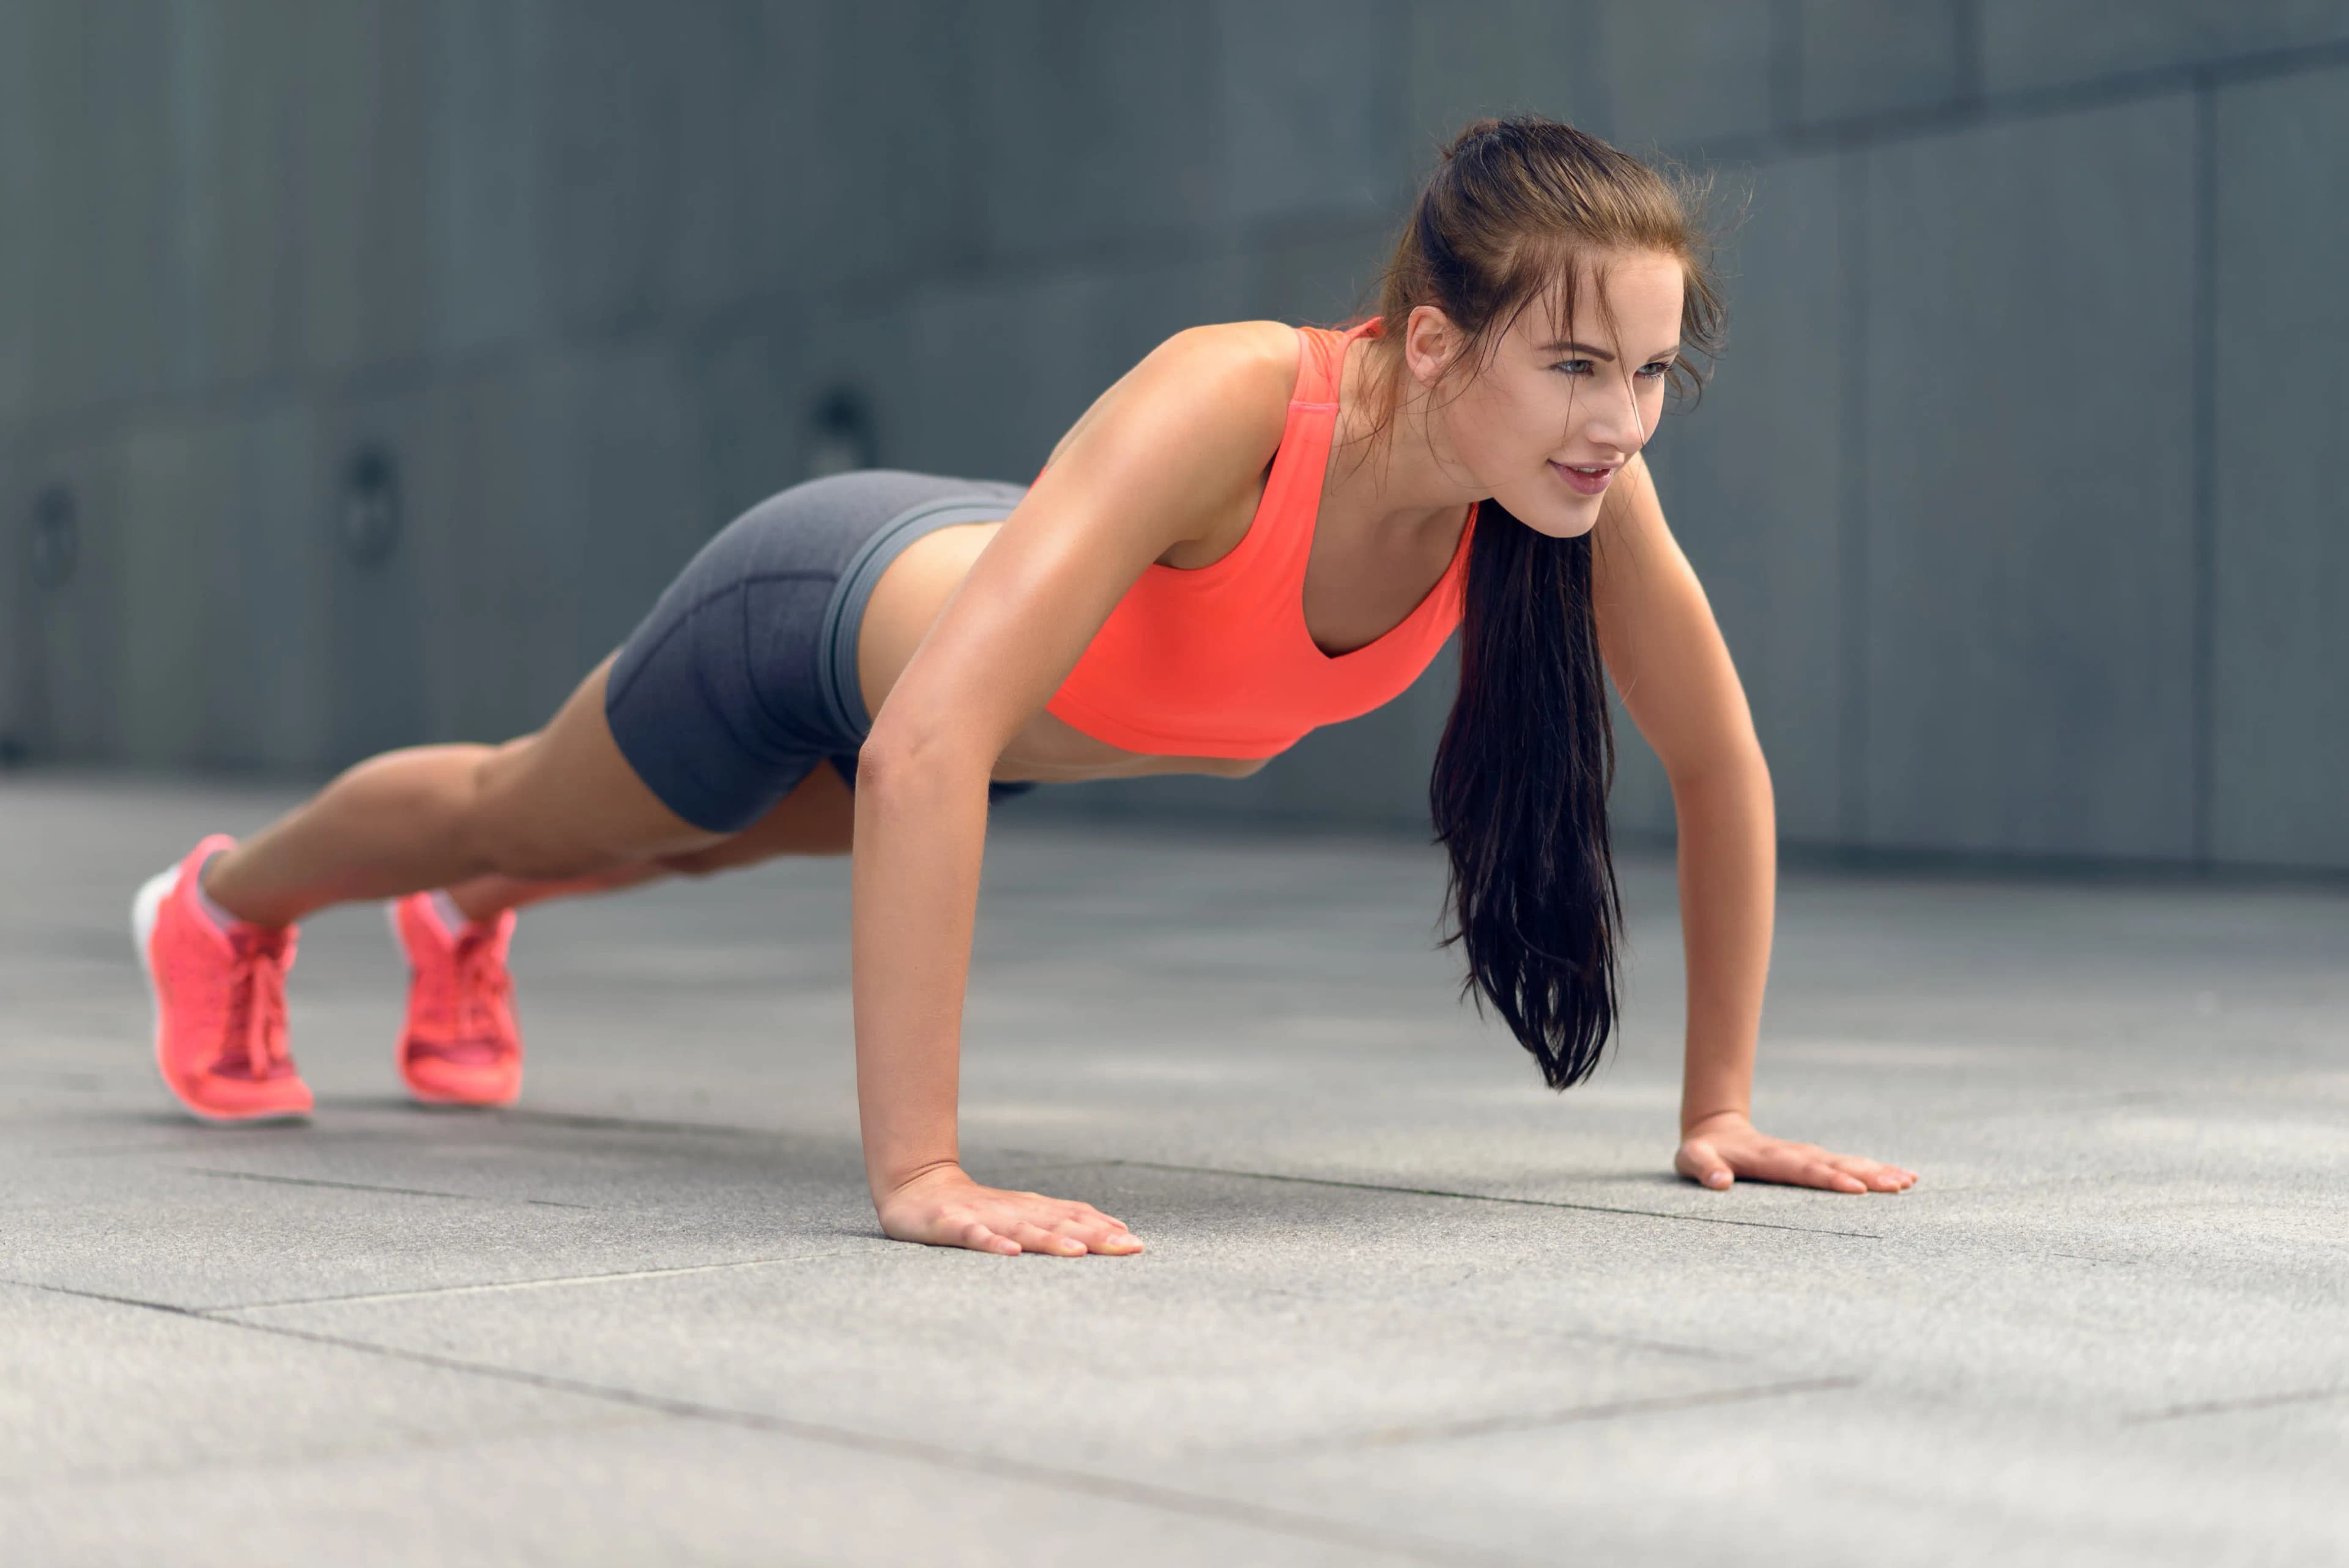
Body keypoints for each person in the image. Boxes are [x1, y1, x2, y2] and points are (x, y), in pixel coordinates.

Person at [130, 114, 1916, 1259]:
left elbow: (1717, 758)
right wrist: (922, 1168)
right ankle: (219, 909)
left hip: (1030, 666)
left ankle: (465, 928)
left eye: (1655, 374)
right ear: (1439, 341)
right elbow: (928, 749)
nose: (1620, 416)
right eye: (1579, 363)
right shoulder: (1238, 397)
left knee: (694, 847)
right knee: (528, 795)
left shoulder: (1568, 489)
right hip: (825, 606)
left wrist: (1719, 1106)